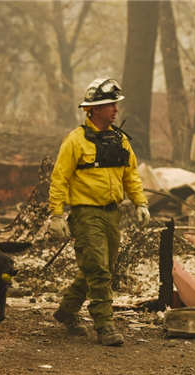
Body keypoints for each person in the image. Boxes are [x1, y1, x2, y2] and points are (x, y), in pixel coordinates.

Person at [47, 77, 150, 345]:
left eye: (115, 104)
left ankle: (67, 311)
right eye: (109, 105)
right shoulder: (75, 141)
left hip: (111, 213)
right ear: (93, 109)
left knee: (101, 267)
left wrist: (140, 203)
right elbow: (60, 178)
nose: (115, 109)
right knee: (98, 270)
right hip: (85, 213)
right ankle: (105, 325)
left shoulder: (120, 141)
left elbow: (131, 175)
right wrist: (56, 214)